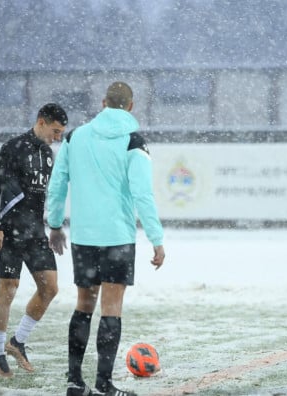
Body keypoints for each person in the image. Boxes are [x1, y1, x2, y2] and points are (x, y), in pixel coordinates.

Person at [47, 82, 165, 396]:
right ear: (130, 106)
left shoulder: (75, 137)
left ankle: (74, 381)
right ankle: (103, 384)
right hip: (117, 238)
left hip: (84, 237)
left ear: (103, 103)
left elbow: (58, 183)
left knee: (84, 305)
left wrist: (55, 224)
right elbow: (143, 194)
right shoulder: (133, 142)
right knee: (111, 307)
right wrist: (157, 239)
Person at [0, 103, 68, 377]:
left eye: (61, 133)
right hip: (9, 230)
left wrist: (53, 228)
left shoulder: (47, 154)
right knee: (8, 290)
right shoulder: (13, 147)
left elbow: (47, 196)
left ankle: (17, 341)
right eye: (55, 131)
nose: (57, 137)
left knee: (50, 288)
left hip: (34, 232)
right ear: (41, 121)